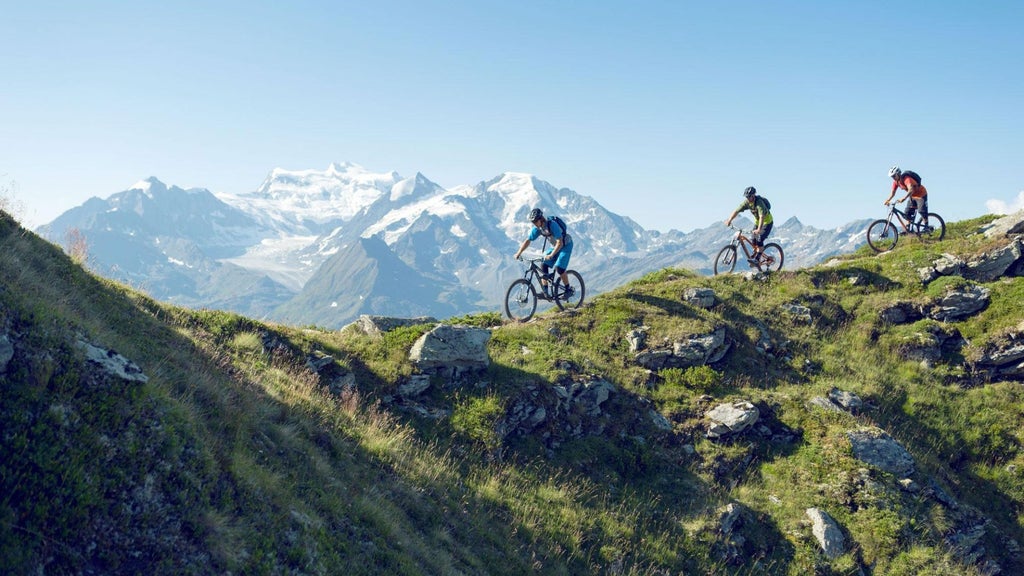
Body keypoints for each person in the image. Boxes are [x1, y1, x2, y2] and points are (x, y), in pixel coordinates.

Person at [513, 208, 573, 299]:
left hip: (565, 245)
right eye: (533, 222)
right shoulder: (538, 228)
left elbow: (559, 242)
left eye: (535, 221)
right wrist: (519, 252)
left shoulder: (552, 225)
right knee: (543, 264)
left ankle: (568, 289)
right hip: (555, 246)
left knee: (559, 268)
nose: (534, 224)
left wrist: (552, 255)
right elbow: (528, 240)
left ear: (541, 219)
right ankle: (545, 292)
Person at [725, 186, 773, 264]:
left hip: (767, 222)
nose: (747, 198)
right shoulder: (747, 202)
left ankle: (757, 259)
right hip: (758, 222)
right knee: (753, 239)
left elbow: (762, 217)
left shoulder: (759, 203)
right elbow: (737, 210)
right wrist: (729, 220)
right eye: (746, 197)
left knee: (759, 238)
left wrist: (759, 229)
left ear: (753, 195)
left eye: (749, 196)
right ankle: (756, 253)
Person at [883, 165, 928, 230]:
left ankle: (926, 227)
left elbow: (911, 189)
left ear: (898, 174)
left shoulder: (907, 179)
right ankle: (907, 229)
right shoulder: (896, 182)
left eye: (894, 176)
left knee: (921, 211)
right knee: (907, 213)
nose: (893, 178)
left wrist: (904, 198)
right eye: (892, 177)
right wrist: (888, 200)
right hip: (912, 196)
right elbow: (893, 193)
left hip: (921, 194)